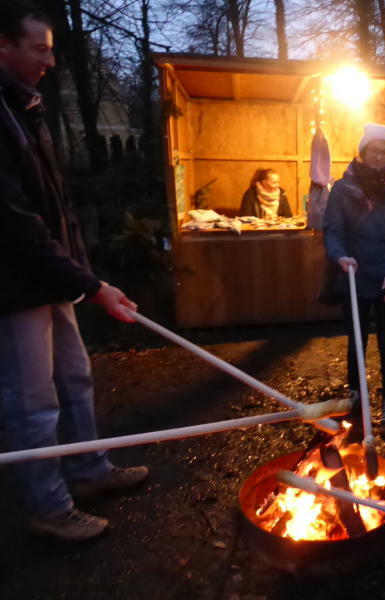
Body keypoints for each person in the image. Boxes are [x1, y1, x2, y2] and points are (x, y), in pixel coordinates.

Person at [0, 0, 149, 542]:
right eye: (38, 49)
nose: (49, 61)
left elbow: (56, 208)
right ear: (3, 45)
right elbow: (15, 224)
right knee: (32, 402)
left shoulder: (26, 108)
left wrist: (86, 279)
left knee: (76, 378)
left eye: (51, 50)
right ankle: (49, 506)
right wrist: (91, 283)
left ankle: (89, 471)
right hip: (15, 288)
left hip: (54, 278)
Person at [323, 122, 385, 434]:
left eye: (384, 152)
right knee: (356, 344)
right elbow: (333, 230)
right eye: (373, 150)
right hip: (356, 278)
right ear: (362, 153)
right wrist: (340, 257)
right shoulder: (341, 189)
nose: (379, 156)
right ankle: (356, 399)